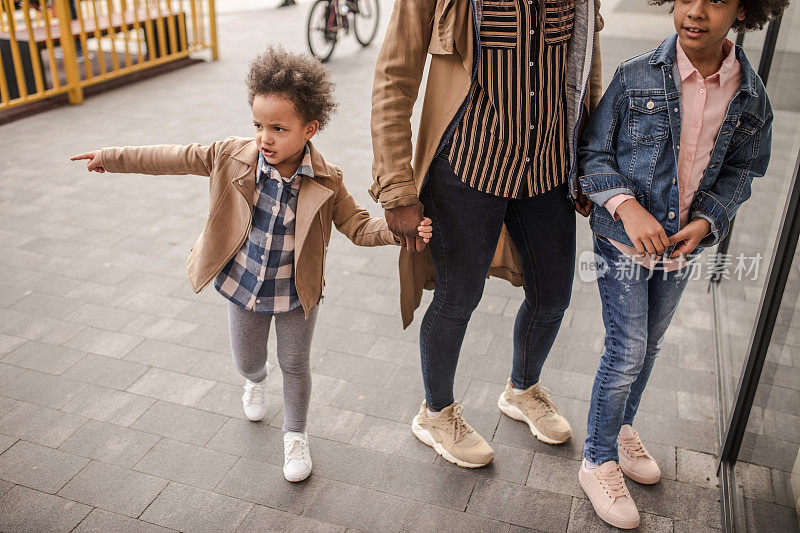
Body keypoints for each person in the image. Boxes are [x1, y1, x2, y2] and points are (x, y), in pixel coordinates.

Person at [71, 45, 432, 483]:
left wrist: (397, 232)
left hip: (296, 295)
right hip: (242, 287)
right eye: (258, 125)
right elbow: (173, 156)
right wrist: (112, 157)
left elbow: (357, 226)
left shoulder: (327, 179)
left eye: (279, 128)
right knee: (247, 360)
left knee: (296, 364)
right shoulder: (231, 155)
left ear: (310, 129)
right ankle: (255, 380)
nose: (265, 137)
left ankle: (295, 436)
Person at [576, 0, 785, 527]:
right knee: (626, 349)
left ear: (745, 9)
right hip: (622, 243)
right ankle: (597, 459)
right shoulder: (634, 76)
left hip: (680, 250)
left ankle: (622, 428)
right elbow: (593, 156)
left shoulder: (751, 97)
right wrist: (627, 208)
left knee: (650, 344)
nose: (696, 11)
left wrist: (708, 221)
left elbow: (743, 170)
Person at [369, 0, 604, 468]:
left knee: (553, 296)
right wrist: (396, 187)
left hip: (549, 168)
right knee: (457, 298)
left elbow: (587, 66)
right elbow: (393, 79)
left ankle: (522, 389)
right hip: (468, 167)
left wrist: (589, 164)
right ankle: (436, 413)